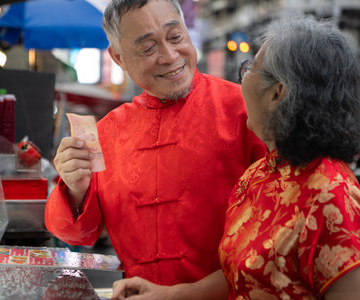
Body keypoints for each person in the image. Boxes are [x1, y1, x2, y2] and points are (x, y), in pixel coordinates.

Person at [111, 14, 360, 299]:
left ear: (277, 94)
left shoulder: (332, 194)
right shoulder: (260, 175)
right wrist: (169, 294)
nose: (242, 80)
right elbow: (242, 274)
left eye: (250, 69)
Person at [45, 0, 266, 286]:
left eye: (176, 37)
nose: (170, 55)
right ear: (118, 58)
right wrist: (75, 187)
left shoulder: (245, 109)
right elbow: (76, 234)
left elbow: (278, 234)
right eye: (148, 48)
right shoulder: (107, 133)